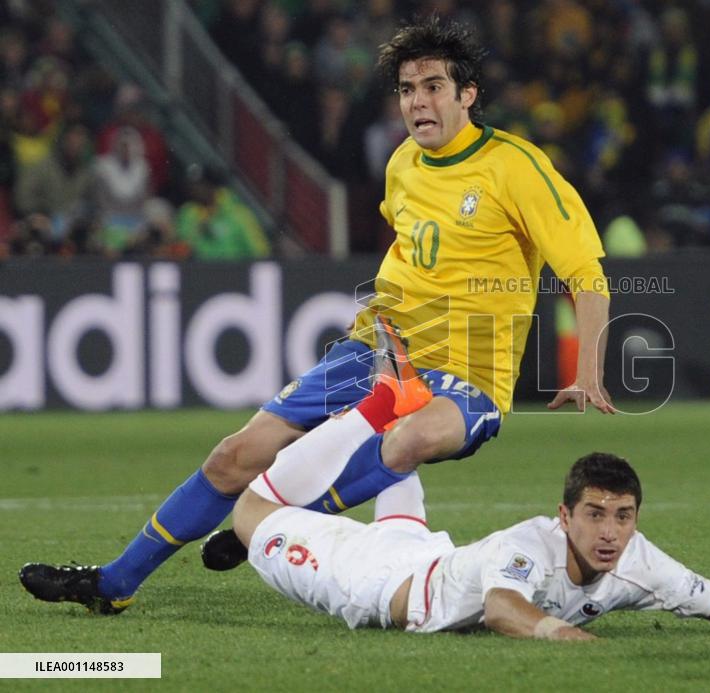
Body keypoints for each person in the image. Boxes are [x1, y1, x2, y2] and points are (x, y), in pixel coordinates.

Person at [19, 16, 613, 615]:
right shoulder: (403, 163)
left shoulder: (516, 166)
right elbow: (417, 251)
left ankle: (266, 525)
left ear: (468, 95)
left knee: (414, 437)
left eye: (433, 86)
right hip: (379, 350)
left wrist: (587, 369)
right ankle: (113, 583)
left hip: (471, 374)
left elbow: (587, 274)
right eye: (407, 90)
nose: (417, 102)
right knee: (236, 455)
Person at [232, 450, 710, 638]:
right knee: (250, 511)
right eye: (595, 515)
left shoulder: (638, 561)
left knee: (398, 464)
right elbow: (505, 608)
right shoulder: (527, 543)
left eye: (623, 516)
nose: (610, 532)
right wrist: (568, 637)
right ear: (565, 516)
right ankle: (351, 417)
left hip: (430, 555)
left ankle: (379, 428)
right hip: (376, 583)